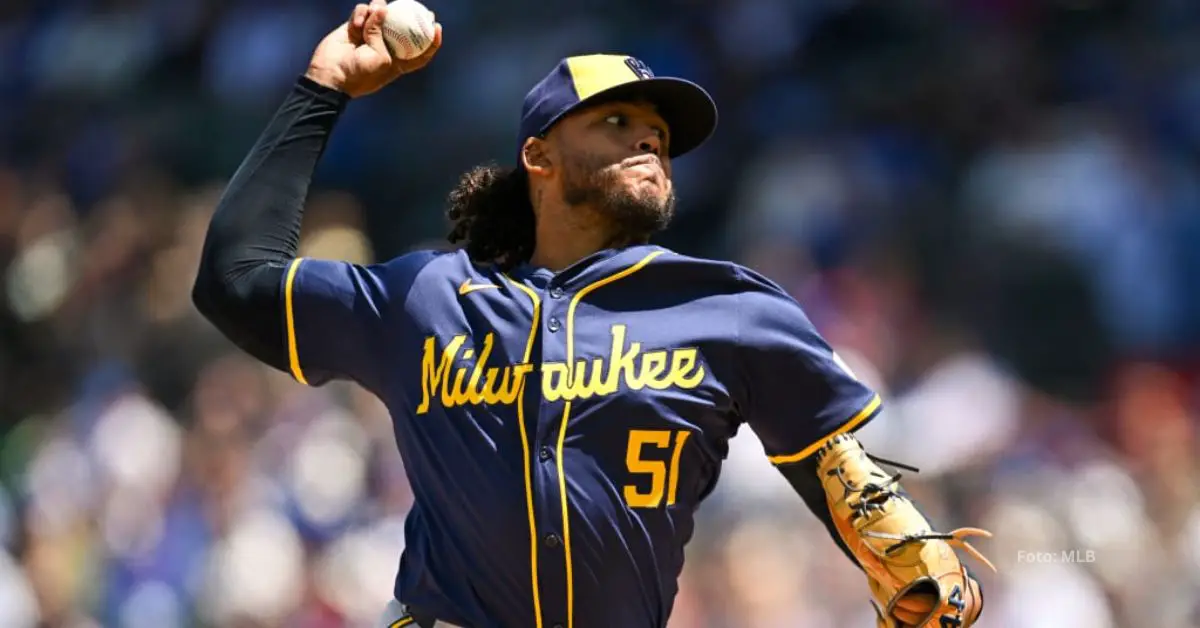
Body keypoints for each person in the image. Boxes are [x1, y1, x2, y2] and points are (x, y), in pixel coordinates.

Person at [192, 1, 995, 627]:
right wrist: (324, 86)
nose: (649, 141)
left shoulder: (730, 309)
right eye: (616, 123)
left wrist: (917, 572)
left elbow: (850, 484)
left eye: (658, 133)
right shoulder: (427, 297)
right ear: (538, 155)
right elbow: (235, 278)